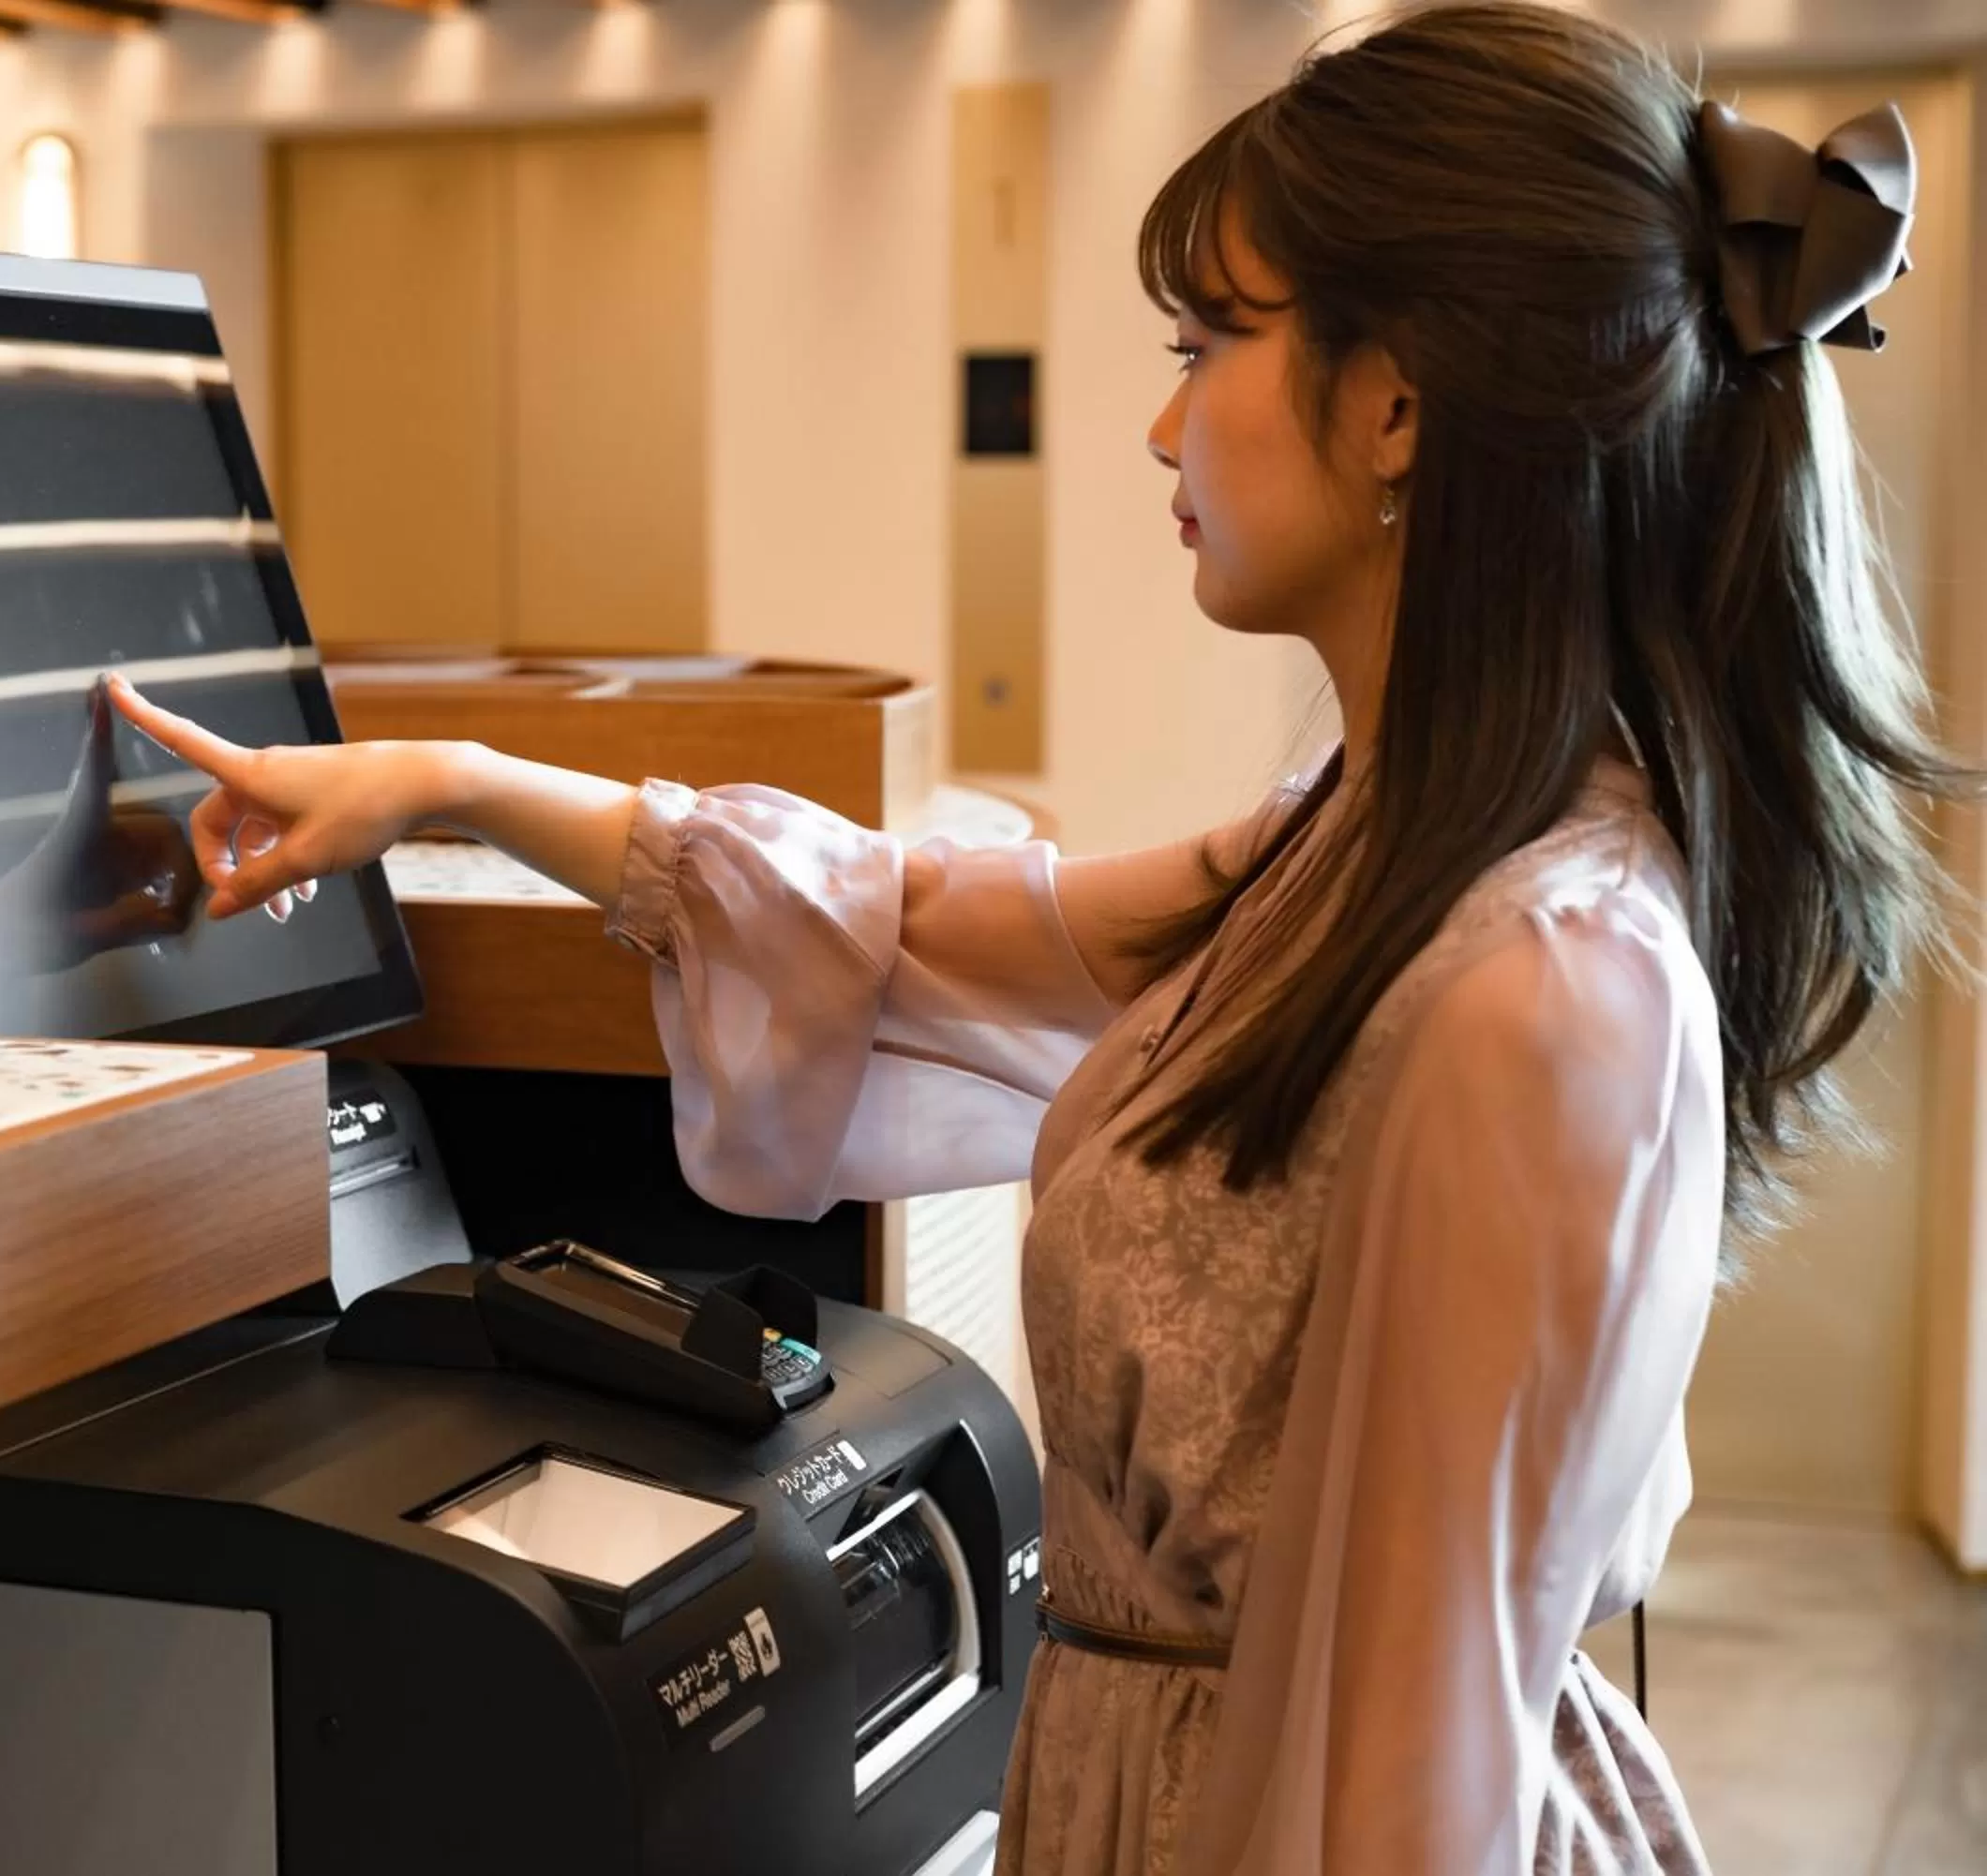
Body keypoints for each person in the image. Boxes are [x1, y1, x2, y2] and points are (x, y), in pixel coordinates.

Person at [104, 5, 1965, 1868]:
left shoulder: (1534, 983)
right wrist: (454, 781)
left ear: (1395, 394)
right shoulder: (1370, 855)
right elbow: (928, 930)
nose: (1165, 419)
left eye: (1209, 340)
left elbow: (1406, 1794)